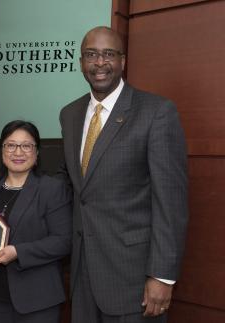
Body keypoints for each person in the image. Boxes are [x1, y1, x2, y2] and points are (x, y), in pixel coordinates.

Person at [59, 26, 188, 323]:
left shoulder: (156, 112)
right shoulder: (70, 114)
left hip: (135, 281)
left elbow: (171, 202)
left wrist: (163, 276)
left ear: (123, 61)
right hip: (83, 275)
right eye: (91, 55)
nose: (99, 63)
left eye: (108, 54)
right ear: (81, 63)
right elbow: (74, 183)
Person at [0, 120, 72, 323]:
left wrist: (17, 252)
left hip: (37, 300)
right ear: (1, 150)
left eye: (26, 145)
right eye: (11, 145)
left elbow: (63, 241)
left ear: (37, 152)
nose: (18, 152)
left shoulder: (52, 188)